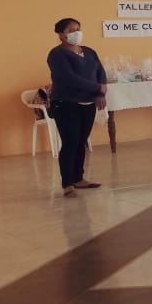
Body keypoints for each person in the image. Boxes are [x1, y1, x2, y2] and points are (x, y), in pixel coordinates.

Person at [47, 18, 108, 197]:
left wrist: (100, 93)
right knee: (70, 142)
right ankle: (67, 183)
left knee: (81, 141)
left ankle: (78, 178)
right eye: (71, 30)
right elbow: (69, 78)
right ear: (61, 35)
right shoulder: (56, 55)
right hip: (66, 103)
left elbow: (100, 72)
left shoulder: (89, 51)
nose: (76, 33)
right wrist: (97, 88)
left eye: (78, 29)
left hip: (88, 103)